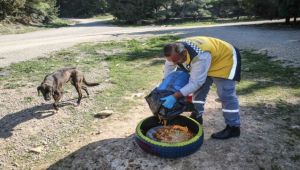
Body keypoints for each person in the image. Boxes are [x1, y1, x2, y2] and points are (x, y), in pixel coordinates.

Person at [160, 36, 241, 140]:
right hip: (209, 58)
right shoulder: (174, 50)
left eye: (177, 61)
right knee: (199, 91)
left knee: (225, 94)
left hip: (225, 58)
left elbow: (196, 82)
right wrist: (166, 86)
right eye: (173, 61)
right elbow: (169, 68)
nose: (175, 64)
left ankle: (233, 127)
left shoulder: (199, 56)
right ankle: (197, 116)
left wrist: (175, 96)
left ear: (184, 53)